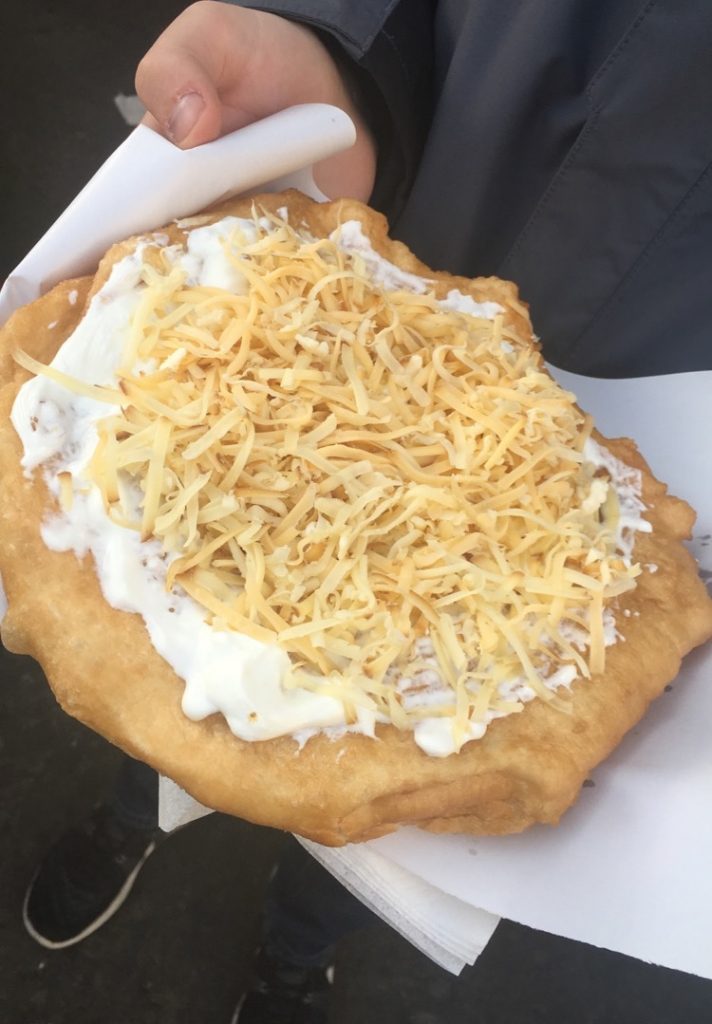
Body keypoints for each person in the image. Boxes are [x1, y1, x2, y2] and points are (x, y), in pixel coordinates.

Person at [23, 2, 712, 1022]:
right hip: (333, 289)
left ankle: (295, 949)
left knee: (401, 840)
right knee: (160, 700)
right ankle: (134, 819)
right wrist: (345, 47)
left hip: (568, 553)